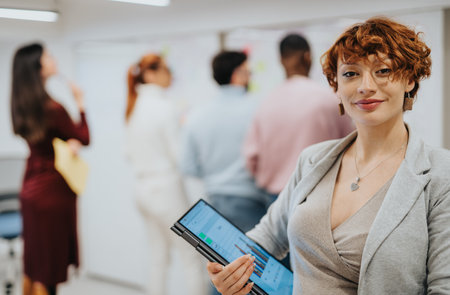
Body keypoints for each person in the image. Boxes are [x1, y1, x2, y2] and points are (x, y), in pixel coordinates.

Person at [207, 17, 450, 294]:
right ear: (335, 87)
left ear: (408, 79)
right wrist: (230, 271)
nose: (365, 86)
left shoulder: (440, 174)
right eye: (350, 73)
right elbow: (267, 237)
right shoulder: (312, 160)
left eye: (382, 71)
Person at [10, 43, 90, 295]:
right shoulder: (53, 108)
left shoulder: (21, 104)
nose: (53, 59)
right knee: (49, 271)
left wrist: (68, 141)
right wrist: (80, 104)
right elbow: (84, 136)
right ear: (38, 66)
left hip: (30, 188)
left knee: (34, 265)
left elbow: (50, 139)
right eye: (47, 56)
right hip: (52, 193)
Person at [124, 53, 206, 295]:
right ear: (151, 74)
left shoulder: (133, 106)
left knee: (158, 257)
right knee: (191, 256)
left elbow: (127, 153)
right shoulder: (164, 107)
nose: (170, 75)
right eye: (166, 70)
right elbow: (179, 157)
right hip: (166, 191)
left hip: (142, 191)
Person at [243, 33, 354, 204]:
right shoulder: (329, 99)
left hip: (275, 198)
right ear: (308, 57)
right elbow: (353, 145)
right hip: (318, 194)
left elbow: (251, 157)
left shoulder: (266, 102)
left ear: (280, 60)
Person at [180, 51, 267, 233]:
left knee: (225, 261)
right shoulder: (258, 109)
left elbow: (187, 166)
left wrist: (215, 175)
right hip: (251, 201)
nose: (250, 76)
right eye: (248, 71)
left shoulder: (197, 115)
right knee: (256, 260)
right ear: (237, 75)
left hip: (214, 203)